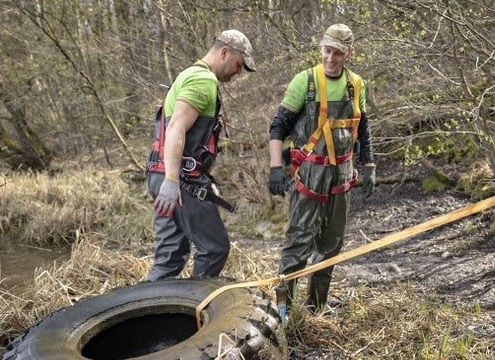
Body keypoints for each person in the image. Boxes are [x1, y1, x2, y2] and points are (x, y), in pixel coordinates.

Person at [267, 23, 376, 312]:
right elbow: (278, 127)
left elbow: (362, 128)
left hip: (342, 175)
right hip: (309, 175)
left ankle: (317, 308)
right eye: (327, 51)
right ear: (321, 48)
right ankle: (283, 312)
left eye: (338, 53)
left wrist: (369, 164)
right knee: (297, 245)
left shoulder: (357, 84)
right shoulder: (305, 81)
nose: (331, 58)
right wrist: (276, 168)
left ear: (348, 53)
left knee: (331, 246)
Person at [146, 29, 256, 281]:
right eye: (239, 64)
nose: (238, 72)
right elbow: (175, 129)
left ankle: (149, 314)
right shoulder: (202, 81)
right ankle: (195, 309)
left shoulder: (186, 75)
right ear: (225, 52)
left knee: (169, 256)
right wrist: (173, 181)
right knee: (214, 249)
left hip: (160, 174)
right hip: (178, 182)